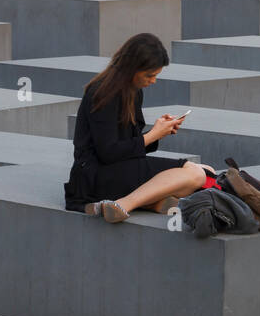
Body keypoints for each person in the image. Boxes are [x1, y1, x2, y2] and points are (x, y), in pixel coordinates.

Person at [63, 32, 210, 223]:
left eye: (156, 75)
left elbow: (130, 148)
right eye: (149, 75)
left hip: (117, 169)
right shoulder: (102, 93)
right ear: (132, 68)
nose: (153, 81)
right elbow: (107, 152)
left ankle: (150, 202)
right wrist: (152, 135)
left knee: (206, 170)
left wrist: (158, 133)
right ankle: (125, 204)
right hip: (94, 177)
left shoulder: (132, 92)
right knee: (196, 174)